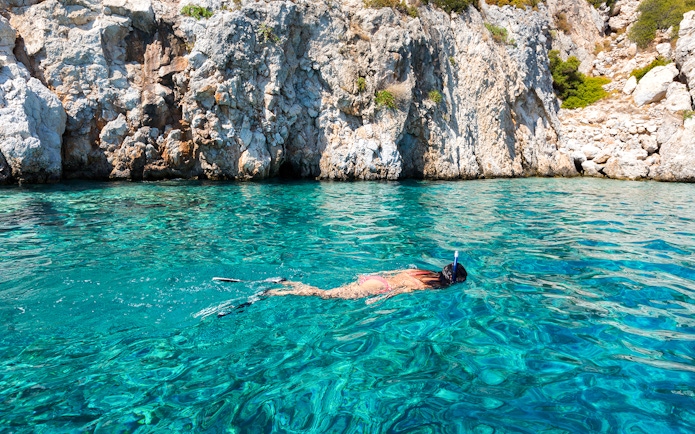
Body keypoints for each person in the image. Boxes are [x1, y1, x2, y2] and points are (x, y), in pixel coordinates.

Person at [266, 262, 467, 304]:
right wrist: (380, 301)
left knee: (328, 292)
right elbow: (400, 291)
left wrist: (370, 275)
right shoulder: (425, 286)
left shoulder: (419, 271)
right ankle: (278, 292)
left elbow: (393, 272)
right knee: (325, 294)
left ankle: (286, 283)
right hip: (380, 288)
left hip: (376, 280)